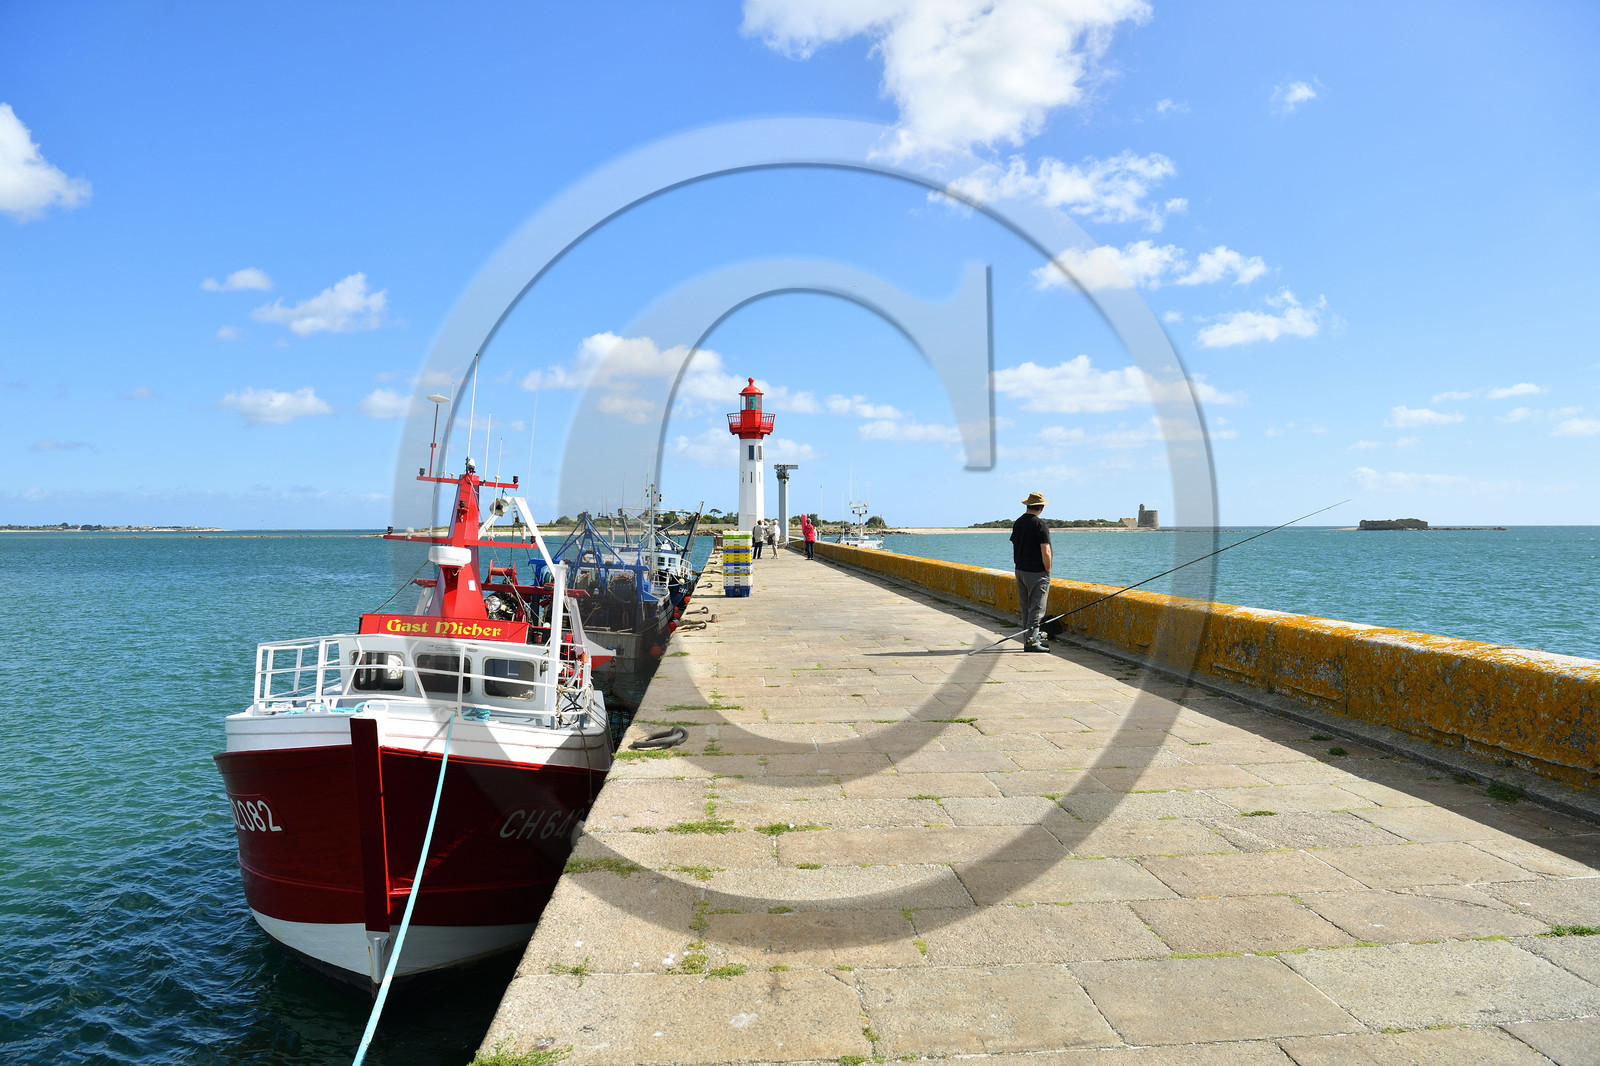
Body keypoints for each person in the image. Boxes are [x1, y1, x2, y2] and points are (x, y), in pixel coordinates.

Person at [1011, 491, 1053, 652]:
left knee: (1025, 608)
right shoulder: (1040, 525)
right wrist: (1047, 570)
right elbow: (1046, 551)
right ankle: (1032, 642)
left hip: (1020, 570)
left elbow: (1015, 545)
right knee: (1036, 609)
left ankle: (1028, 639)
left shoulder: (1018, 522)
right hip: (1036, 572)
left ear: (1028, 505)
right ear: (1041, 507)